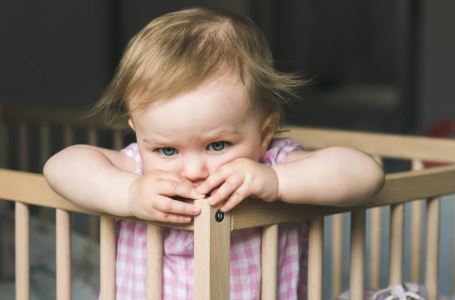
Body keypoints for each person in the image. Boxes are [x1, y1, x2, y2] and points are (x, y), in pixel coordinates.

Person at [43, 7, 384, 299]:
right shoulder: (138, 170)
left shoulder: (271, 163)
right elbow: (60, 166)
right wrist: (129, 193)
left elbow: (367, 174)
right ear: (138, 131)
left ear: (264, 133)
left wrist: (277, 180)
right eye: (166, 149)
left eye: (217, 145)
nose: (193, 169)